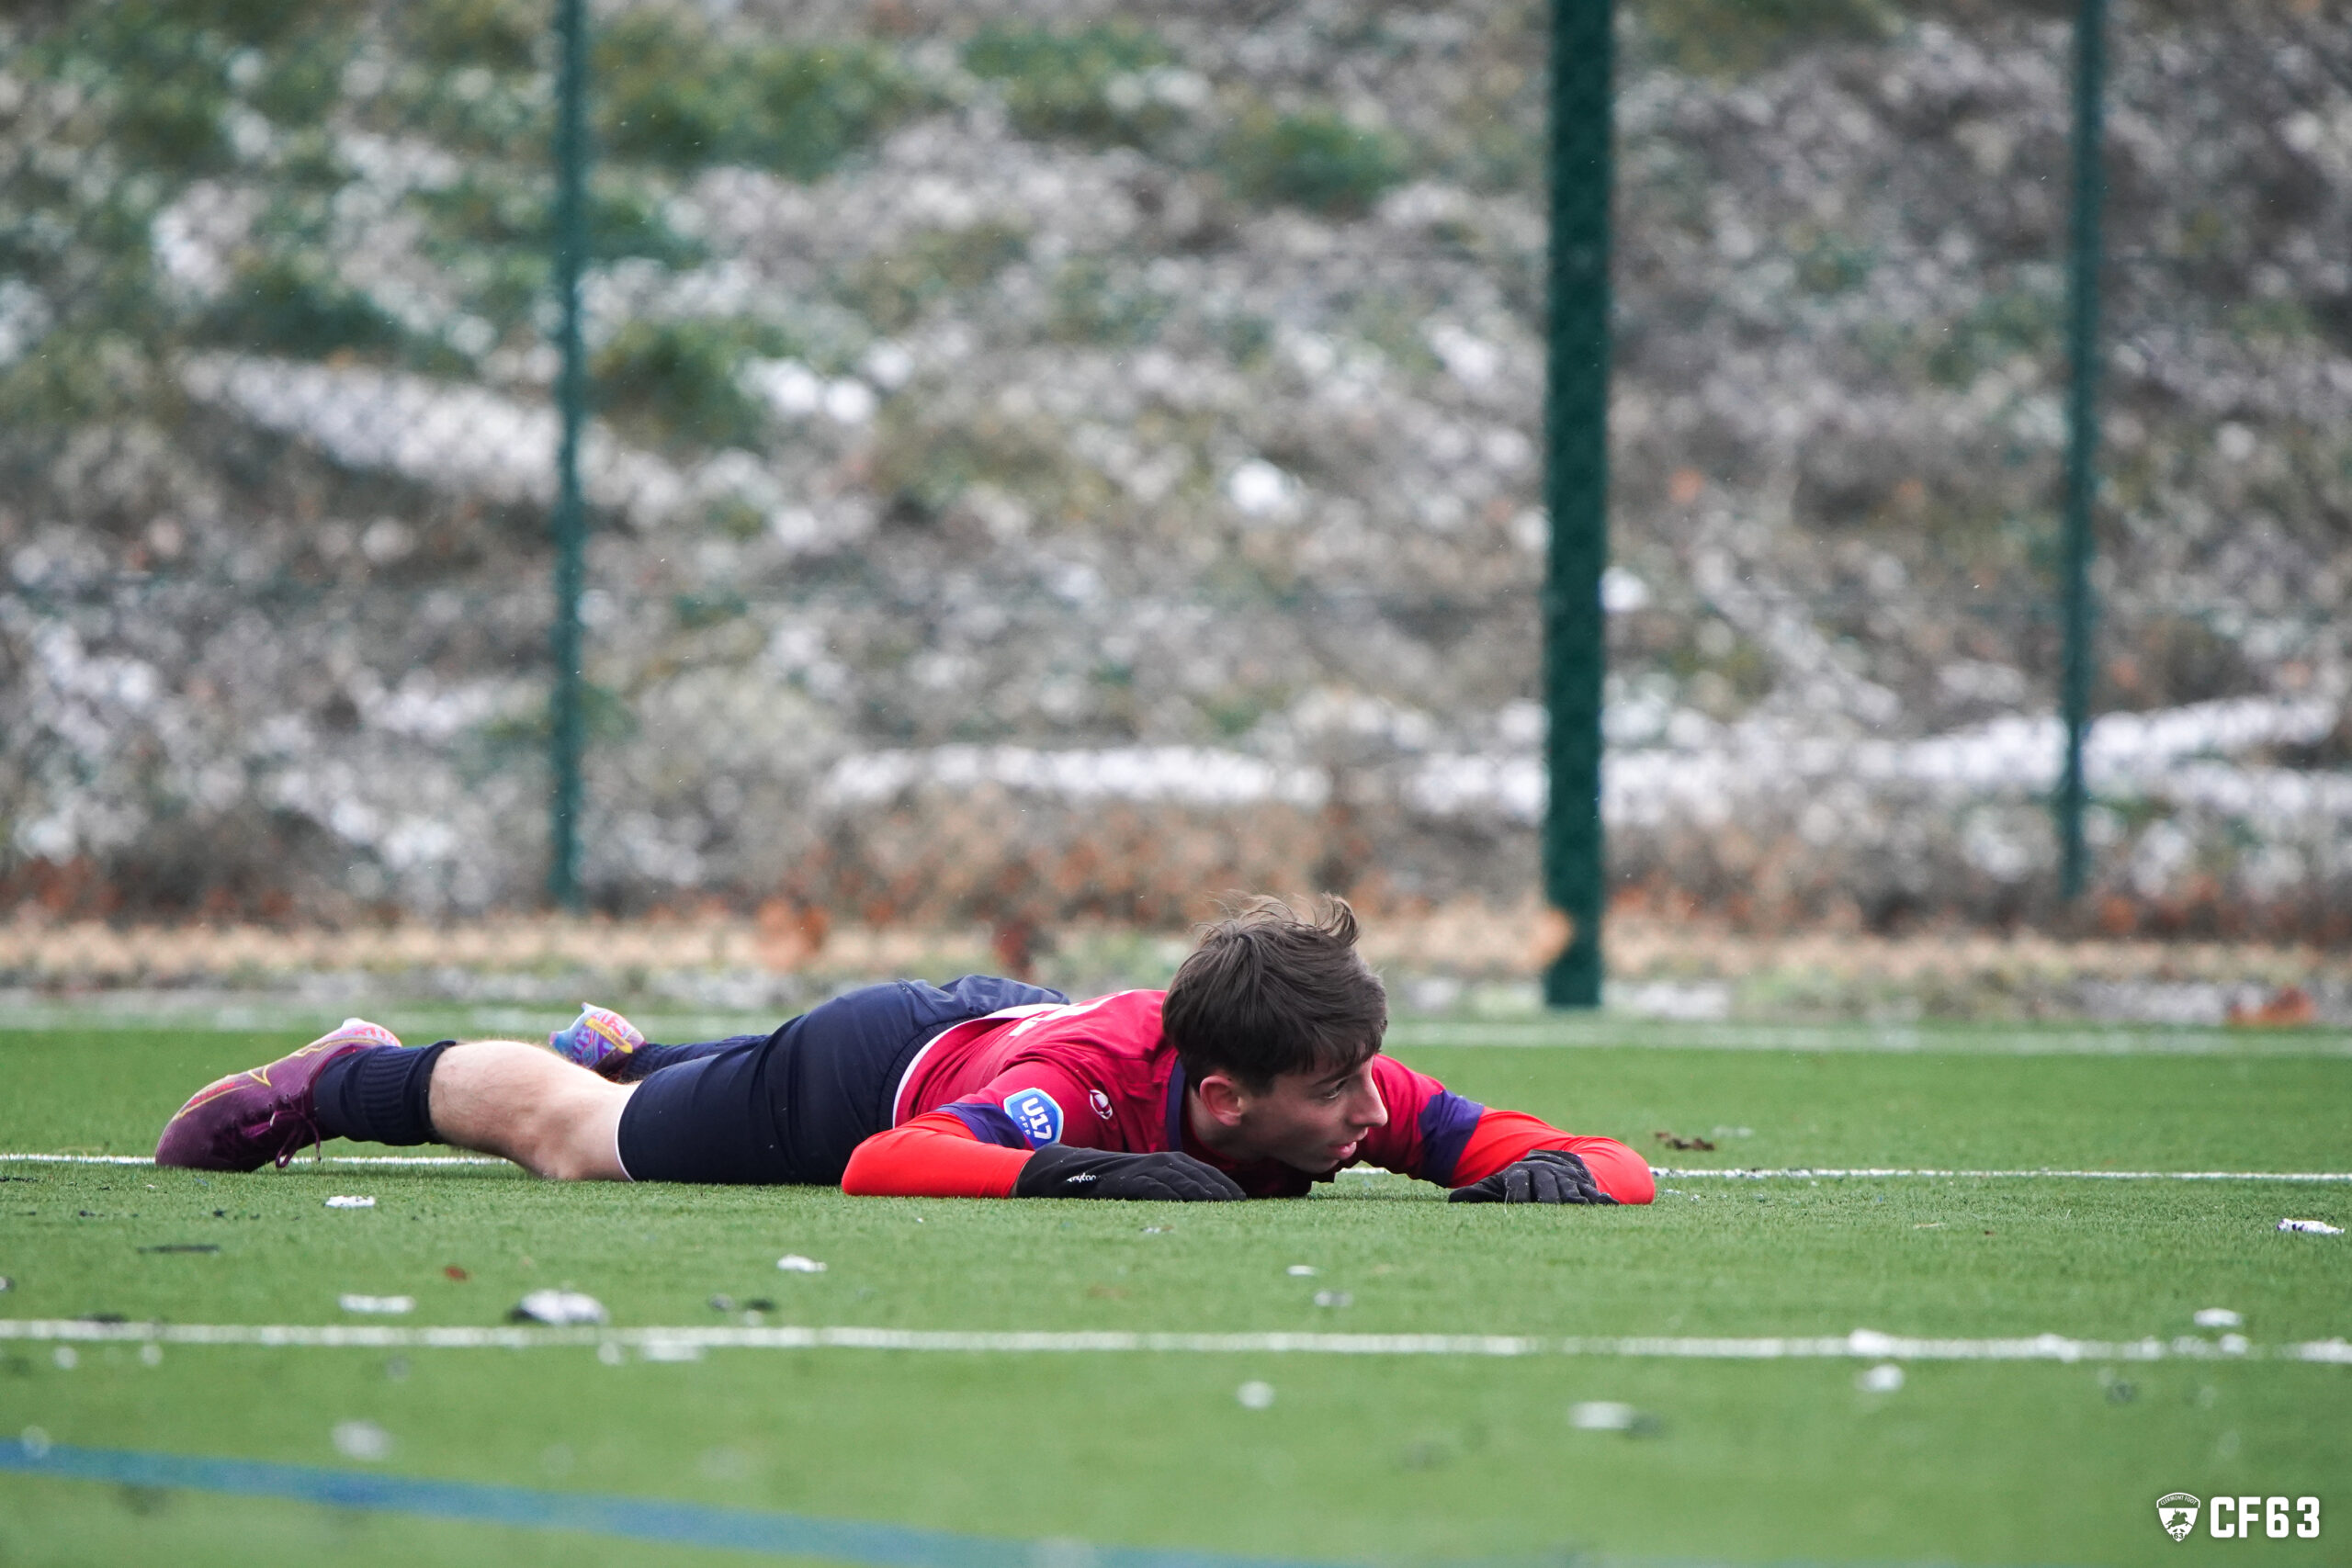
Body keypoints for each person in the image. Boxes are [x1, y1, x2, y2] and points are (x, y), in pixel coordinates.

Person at [153, 898, 1652, 1205]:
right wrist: (1082, 1177)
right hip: (867, 1072)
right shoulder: (1084, 1099)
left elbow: (1616, 1168)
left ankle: (637, 1043)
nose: (1367, 1112)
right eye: (1338, 1094)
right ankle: (351, 1073)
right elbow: (892, 1162)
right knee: (578, 1134)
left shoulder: (1324, 1088)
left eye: (1363, 1086)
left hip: (995, 1015)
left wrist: (1552, 1169)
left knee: (649, 1078)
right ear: (1222, 1099)